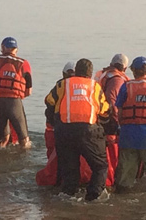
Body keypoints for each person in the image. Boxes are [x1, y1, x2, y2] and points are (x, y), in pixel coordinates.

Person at [44, 58, 111, 201]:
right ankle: (93, 197)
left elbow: (49, 101)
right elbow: (104, 110)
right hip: (89, 131)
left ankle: (68, 194)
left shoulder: (62, 84)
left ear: (76, 71)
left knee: (70, 169)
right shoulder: (95, 87)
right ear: (90, 73)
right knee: (100, 166)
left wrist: (54, 122)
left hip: (64, 132)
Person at [114, 57, 146, 193]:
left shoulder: (126, 86)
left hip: (128, 134)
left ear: (133, 71)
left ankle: (123, 197)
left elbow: (119, 111)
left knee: (125, 173)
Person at [0, 37, 32, 149]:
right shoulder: (24, 63)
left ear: (3, 48)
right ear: (16, 49)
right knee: (24, 139)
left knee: (3, 137)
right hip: (14, 101)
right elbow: (29, 91)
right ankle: (24, 160)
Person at [44, 61, 75, 159]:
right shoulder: (85, 87)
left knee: (53, 153)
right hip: (73, 127)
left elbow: (49, 101)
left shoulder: (59, 86)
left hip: (57, 125)